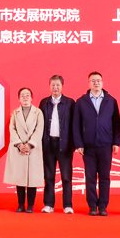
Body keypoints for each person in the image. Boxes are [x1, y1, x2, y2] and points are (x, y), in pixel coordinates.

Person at [73, 72, 120, 217]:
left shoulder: (110, 101)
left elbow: (116, 124)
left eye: (98, 80)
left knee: (105, 177)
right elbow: (76, 125)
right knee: (90, 178)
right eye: (93, 81)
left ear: (102, 82)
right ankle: (92, 206)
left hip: (106, 145)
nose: (96, 83)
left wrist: (116, 142)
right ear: (88, 83)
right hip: (88, 146)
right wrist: (78, 144)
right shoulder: (81, 102)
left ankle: (103, 206)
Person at [4, 87, 45, 213]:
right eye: (22, 95)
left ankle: (30, 205)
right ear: (19, 98)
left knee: (32, 178)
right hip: (19, 149)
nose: (25, 97)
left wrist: (30, 144)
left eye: (27, 95)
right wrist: (19, 144)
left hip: (33, 148)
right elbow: (12, 129)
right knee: (20, 177)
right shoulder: (15, 113)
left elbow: (39, 130)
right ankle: (21, 204)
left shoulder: (38, 112)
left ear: (32, 98)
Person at [38, 74, 75, 214]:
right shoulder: (44, 102)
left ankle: (67, 205)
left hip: (64, 145)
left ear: (62, 86)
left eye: (58, 85)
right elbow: (39, 123)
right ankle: (48, 204)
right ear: (49, 86)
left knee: (66, 177)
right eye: (53, 85)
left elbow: (74, 125)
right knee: (48, 176)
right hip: (48, 144)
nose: (55, 87)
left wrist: (74, 144)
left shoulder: (70, 103)